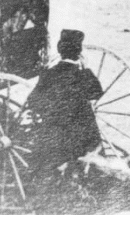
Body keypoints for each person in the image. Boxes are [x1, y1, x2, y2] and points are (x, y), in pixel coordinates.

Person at [28, 29, 104, 172]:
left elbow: (33, 101)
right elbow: (97, 92)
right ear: (79, 51)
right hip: (84, 140)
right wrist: (86, 68)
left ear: (59, 49)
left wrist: (50, 113)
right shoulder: (82, 75)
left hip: (56, 141)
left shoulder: (48, 74)